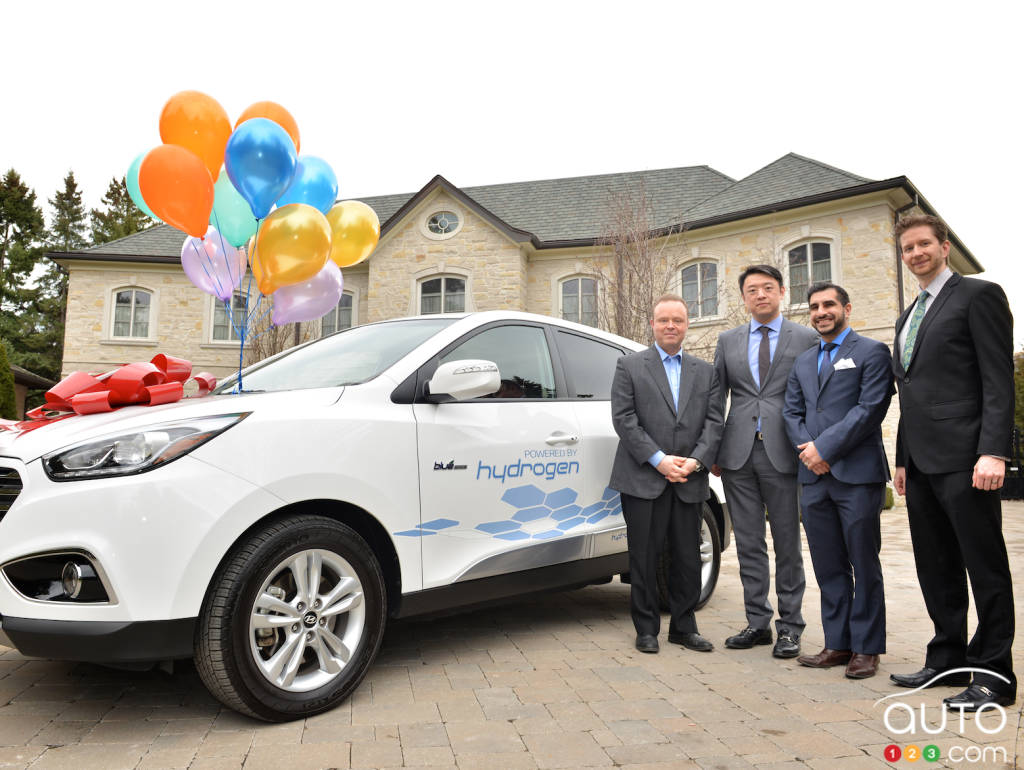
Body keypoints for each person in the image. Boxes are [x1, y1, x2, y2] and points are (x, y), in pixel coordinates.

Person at [890, 214, 1016, 711]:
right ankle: (947, 657)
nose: (916, 253)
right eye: (907, 248)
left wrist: (994, 450)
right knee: (935, 565)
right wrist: (902, 459)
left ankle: (995, 676)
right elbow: (912, 392)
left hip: (968, 460)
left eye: (924, 244)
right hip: (921, 464)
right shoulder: (908, 314)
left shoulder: (978, 296)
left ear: (945, 247)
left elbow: (997, 380)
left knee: (984, 568)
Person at [783, 282, 893, 679]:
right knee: (828, 564)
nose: (821, 311)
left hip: (857, 475)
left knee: (863, 562)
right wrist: (809, 452)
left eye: (829, 304)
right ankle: (838, 642)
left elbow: (869, 409)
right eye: (814, 306)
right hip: (813, 478)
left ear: (847, 308)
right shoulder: (803, 360)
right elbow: (790, 413)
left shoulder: (872, 352)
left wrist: (825, 449)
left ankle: (867, 648)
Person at [712, 265, 819, 658]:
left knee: (788, 544)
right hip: (737, 455)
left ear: (781, 292)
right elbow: (715, 399)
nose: (760, 295)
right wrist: (714, 450)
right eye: (752, 290)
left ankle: (790, 627)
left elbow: (814, 396)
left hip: (786, 452)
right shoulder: (727, 340)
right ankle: (757, 622)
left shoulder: (805, 337)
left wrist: (812, 444)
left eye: (768, 288)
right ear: (743, 297)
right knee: (749, 544)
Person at [610, 294, 723, 654]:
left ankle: (684, 627)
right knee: (643, 558)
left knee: (687, 557)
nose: (671, 326)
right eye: (664, 320)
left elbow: (714, 422)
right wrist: (659, 460)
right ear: (653, 325)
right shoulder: (629, 366)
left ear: (687, 325)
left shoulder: (705, 371)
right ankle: (646, 629)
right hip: (644, 478)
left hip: (690, 478)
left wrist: (696, 461)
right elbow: (624, 419)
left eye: (678, 320)